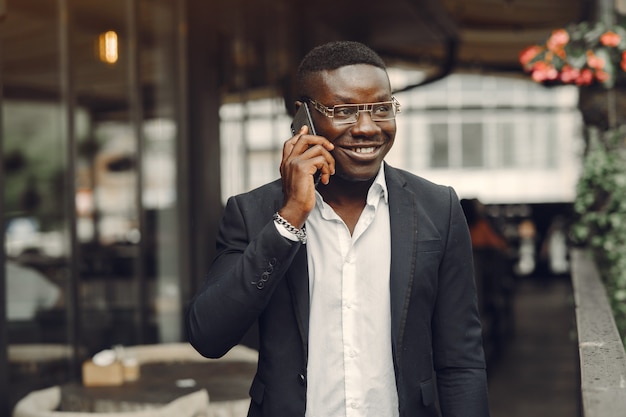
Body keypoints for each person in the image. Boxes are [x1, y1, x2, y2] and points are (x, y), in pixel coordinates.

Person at [186, 41, 490, 417]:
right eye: (343, 111)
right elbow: (208, 336)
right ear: (304, 118)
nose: (366, 128)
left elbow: (461, 361)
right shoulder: (253, 213)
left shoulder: (437, 208)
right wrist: (290, 218)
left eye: (381, 108)